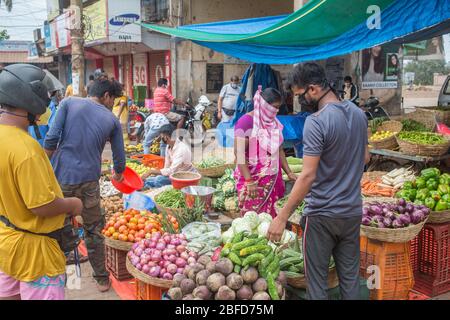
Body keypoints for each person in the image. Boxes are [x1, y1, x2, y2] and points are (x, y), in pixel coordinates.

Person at [267, 62, 370, 300]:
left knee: (317, 284)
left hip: (322, 215)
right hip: (352, 211)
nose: (300, 101)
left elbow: (307, 175)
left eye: (299, 95)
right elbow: (365, 157)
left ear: (312, 89)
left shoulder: (316, 121)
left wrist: (282, 217)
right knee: (350, 278)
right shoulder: (358, 114)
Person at [0, 64, 83, 300]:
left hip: (7, 243)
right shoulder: (26, 148)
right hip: (36, 254)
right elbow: (41, 205)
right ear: (30, 100)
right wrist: (73, 204)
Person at [44, 78, 126, 292]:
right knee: (94, 228)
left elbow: (51, 139)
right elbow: (119, 160)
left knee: (58, 225)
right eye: (113, 100)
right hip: (89, 181)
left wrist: (44, 168)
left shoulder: (68, 103)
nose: (113, 104)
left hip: (61, 178)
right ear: (107, 95)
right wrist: (118, 174)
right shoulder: (112, 120)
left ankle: (58, 277)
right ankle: (101, 278)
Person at [234, 87, 297, 217]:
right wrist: (249, 181)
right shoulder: (245, 122)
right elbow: (239, 154)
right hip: (253, 182)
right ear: (264, 105)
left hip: (274, 181)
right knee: (253, 220)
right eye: (274, 107)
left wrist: (289, 172)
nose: (277, 111)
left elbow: (279, 150)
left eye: (279, 107)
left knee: (274, 218)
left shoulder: (273, 123)